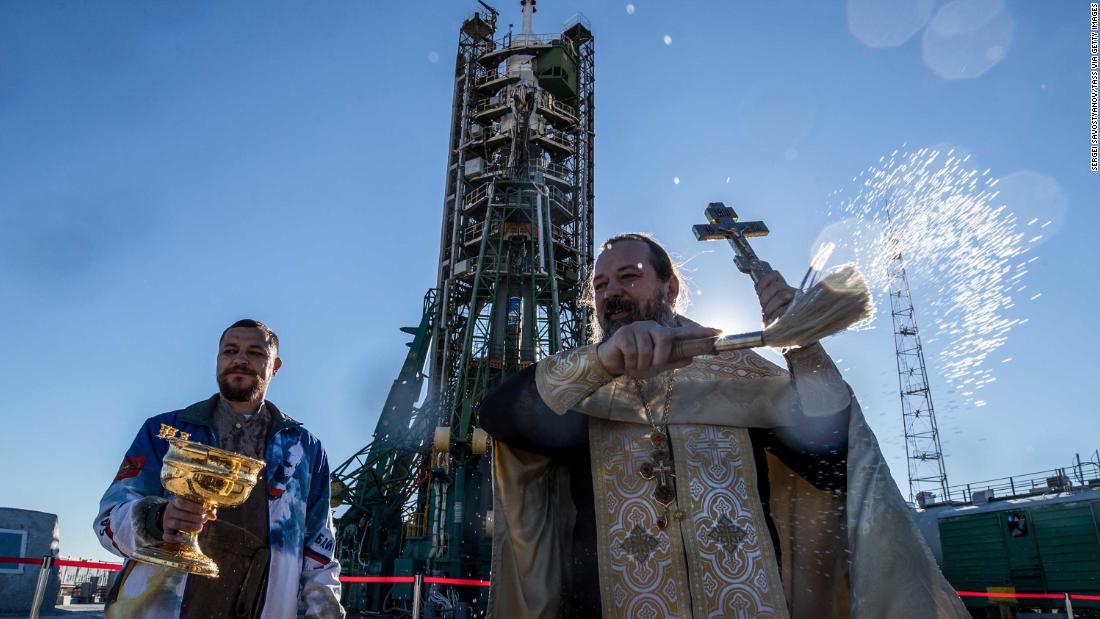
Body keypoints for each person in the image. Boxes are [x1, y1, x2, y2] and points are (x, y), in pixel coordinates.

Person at [480, 234, 967, 618]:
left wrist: (803, 344)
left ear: (670, 288)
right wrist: (603, 363)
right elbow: (502, 420)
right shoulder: (580, 389)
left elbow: (832, 464)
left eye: (629, 277)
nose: (612, 294)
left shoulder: (739, 376)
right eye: (601, 285)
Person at [94, 319, 345, 619]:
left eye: (255, 352)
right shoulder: (164, 432)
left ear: (275, 366)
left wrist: (325, 612)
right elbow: (107, 521)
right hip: (162, 606)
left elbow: (319, 544)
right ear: (218, 360)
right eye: (230, 350)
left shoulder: (305, 450)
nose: (240, 359)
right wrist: (157, 518)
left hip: (260, 606)